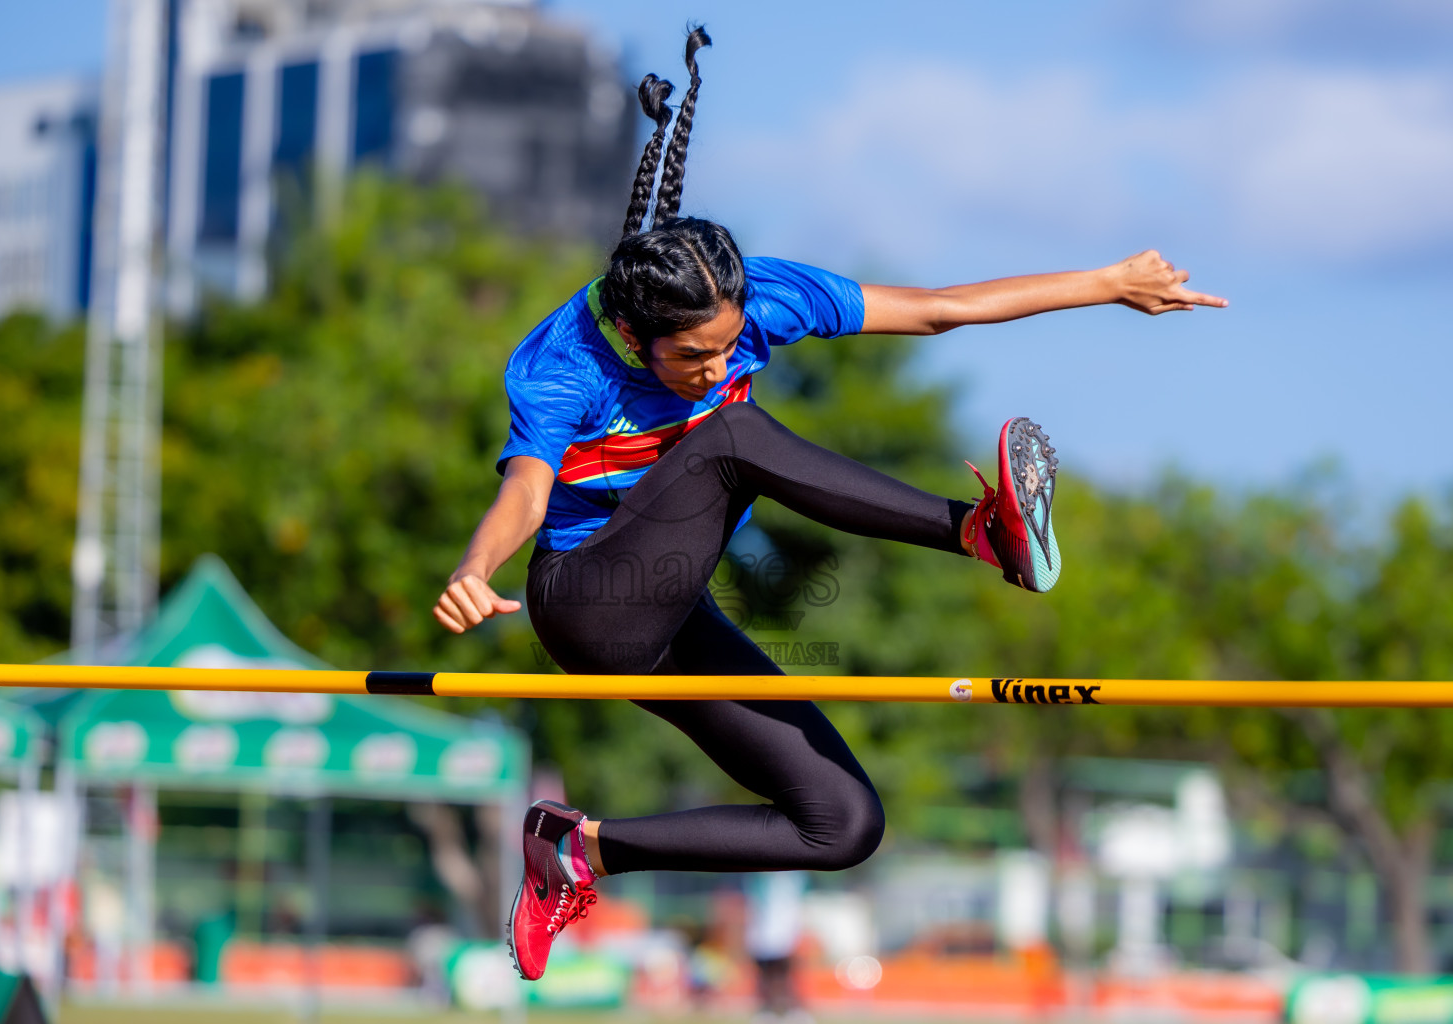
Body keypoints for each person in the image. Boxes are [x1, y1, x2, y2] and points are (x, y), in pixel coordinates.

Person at [432, 28, 1227, 982]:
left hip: (675, 612)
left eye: (729, 345)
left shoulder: (760, 298)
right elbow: (525, 487)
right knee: (730, 435)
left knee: (841, 823)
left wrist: (1106, 284)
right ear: (635, 336)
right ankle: (977, 533)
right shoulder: (563, 363)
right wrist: (475, 569)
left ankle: (580, 851)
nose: (719, 366)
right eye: (693, 358)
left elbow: (938, 308)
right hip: (587, 604)